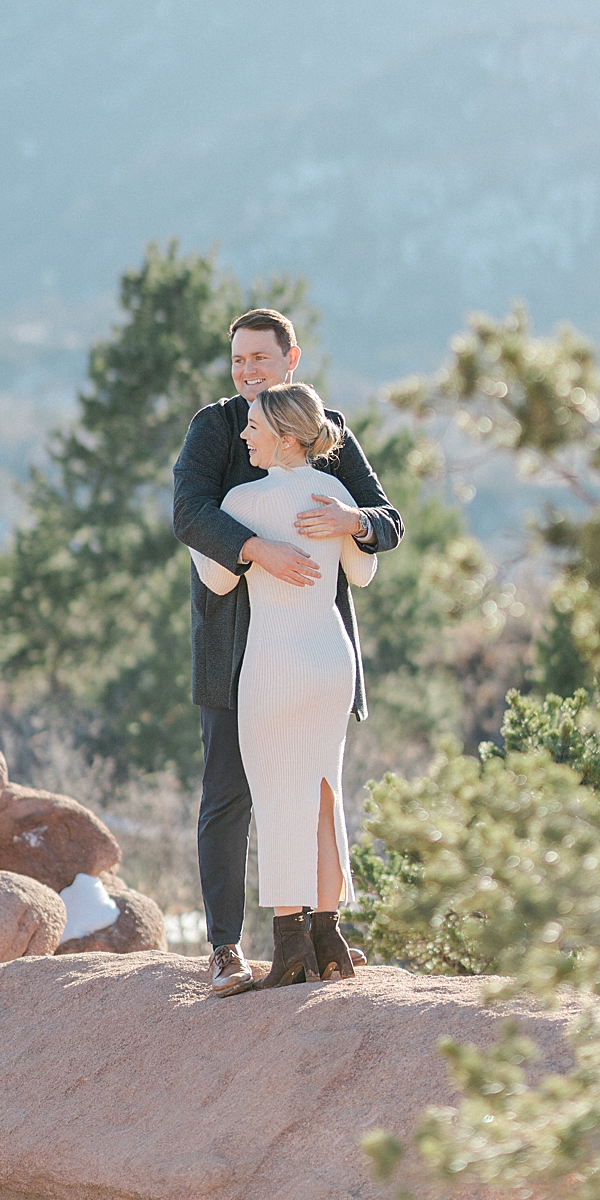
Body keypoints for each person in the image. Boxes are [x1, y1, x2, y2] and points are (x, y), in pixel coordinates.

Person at [172, 307, 403, 996]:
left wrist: (351, 520)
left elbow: (385, 518)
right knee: (229, 793)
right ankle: (225, 946)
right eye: (238, 359)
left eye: (260, 360)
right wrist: (257, 547)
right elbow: (188, 512)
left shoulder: (319, 427)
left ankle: (313, 931)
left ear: (291, 359)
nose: (247, 372)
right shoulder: (212, 428)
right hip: (230, 638)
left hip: (307, 634)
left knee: (313, 789)